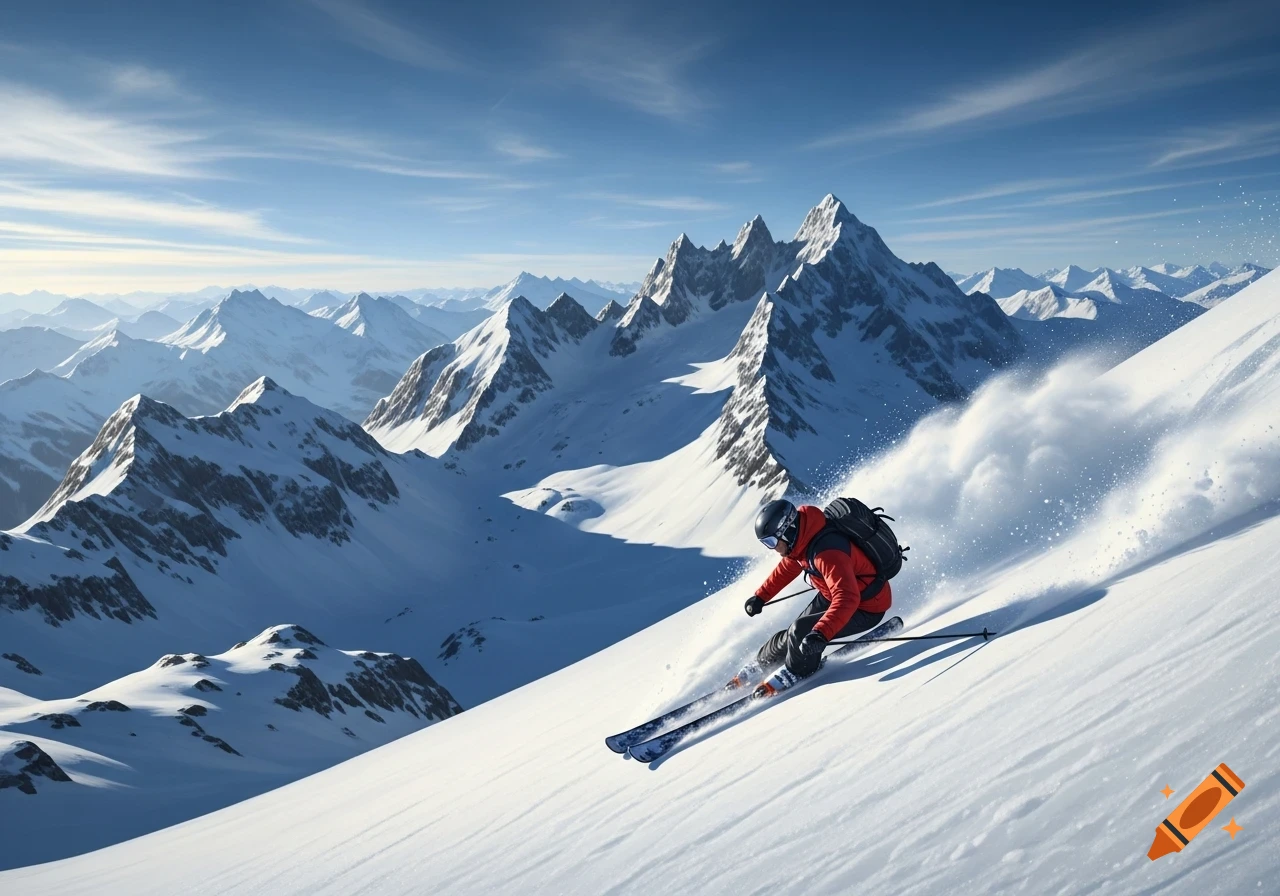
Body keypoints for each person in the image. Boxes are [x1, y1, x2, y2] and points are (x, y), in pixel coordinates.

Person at [746, 498, 892, 678]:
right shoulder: (802, 539)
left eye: (771, 542)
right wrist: (761, 597)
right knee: (794, 632)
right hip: (833, 596)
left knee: (801, 631)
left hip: (867, 606)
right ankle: (763, 664)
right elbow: (787, 568)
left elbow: (847, 598)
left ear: (787, 531)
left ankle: (796, 672)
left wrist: (821, 633)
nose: (772, 548)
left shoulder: (827, 553)